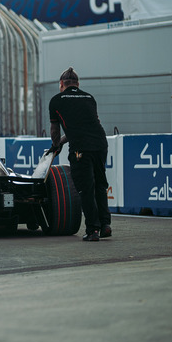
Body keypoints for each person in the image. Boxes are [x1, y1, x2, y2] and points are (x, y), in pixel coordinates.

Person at [49, 67, 111, 242]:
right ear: (78, 84)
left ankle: (93, 230)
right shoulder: (89, 97)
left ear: (61, 85)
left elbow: (55, 130)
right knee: (100, 184)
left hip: (80, 148)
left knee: (85, 188)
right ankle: (105, 225)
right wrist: (62, 142)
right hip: (100, 143)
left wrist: (55, 145)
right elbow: (82, 126)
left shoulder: (56, 100)